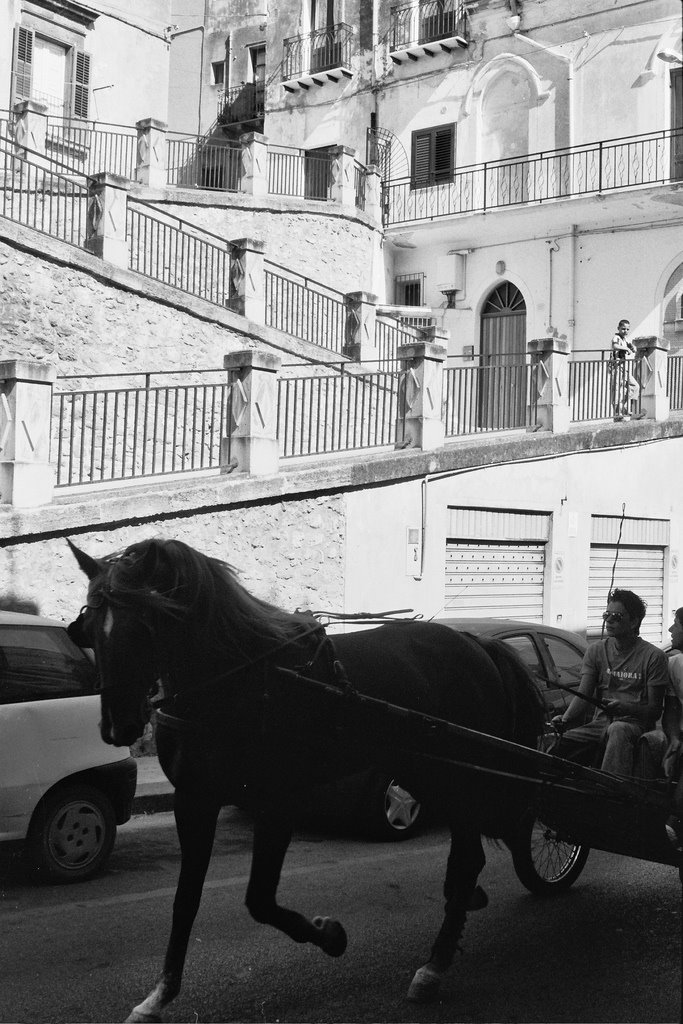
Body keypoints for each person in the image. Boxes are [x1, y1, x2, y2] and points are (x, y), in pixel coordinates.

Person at [553, 589, 669, 778]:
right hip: (599, 725)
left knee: (618, 729)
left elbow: (655, 710)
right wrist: (565, 720)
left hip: (634, 726)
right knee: (552, 742)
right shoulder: (596, 651)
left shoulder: (654, 657)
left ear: (633, 621)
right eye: (606, 615)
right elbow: (583, 695)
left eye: (616, 616)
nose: (609, 620)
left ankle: (610, 789)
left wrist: (626, 708)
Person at [610, 319, 644, 421]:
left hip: (623, 368)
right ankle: (618, 415)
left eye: (627, 329)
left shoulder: (625, 339)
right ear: (618, 328)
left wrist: (632, 347)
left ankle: (625, 410)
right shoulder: (616, 337)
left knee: (635, 386)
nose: (625, 331)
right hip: (616, 367)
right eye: (623, 329)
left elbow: (630, 345)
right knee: (617, 391)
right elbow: (615, 345)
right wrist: (626, 349)